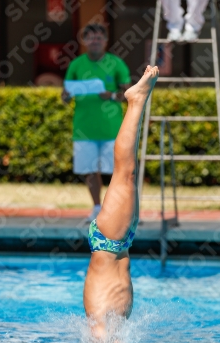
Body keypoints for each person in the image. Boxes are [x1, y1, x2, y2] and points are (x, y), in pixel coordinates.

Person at [83, 65, 159, 343]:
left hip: (109, 239)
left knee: (125, 171)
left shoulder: (100, 333)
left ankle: (136, 99)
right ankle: (137, 101)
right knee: (129, 172)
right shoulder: (111, 331)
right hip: (120, 242)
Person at [62, 24, 131, 222]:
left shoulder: (116, 63)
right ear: (84, 41)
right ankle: (97, 208)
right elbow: (65, 95)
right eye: (90, 38)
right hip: (84, 129)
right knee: (90, 172)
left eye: (99, 38)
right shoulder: (76, 65)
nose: (95, 41)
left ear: (105, 41)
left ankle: (118, 210)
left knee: (117, 172)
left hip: (112, 128)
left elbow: (128, 95)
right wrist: (66, 96)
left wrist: (111, 96)